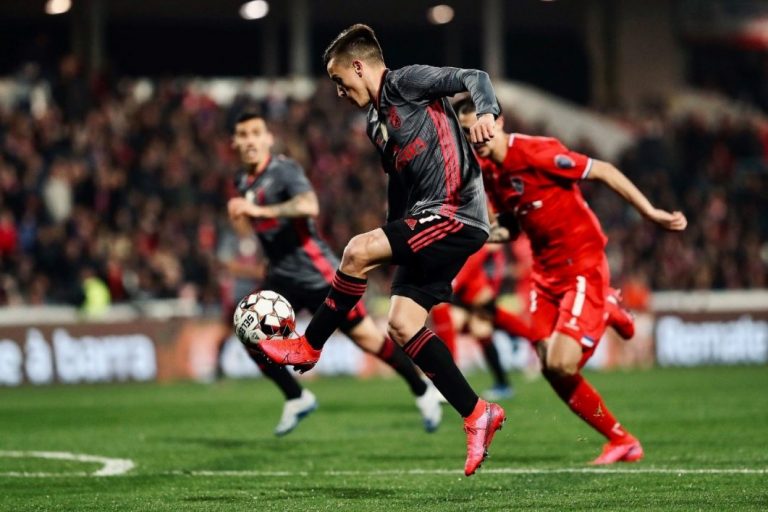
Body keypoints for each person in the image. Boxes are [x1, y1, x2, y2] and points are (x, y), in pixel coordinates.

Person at [258, 24, 506, 476]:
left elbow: (475, 76)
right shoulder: (375, 122)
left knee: (354, 250)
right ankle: (477, 414)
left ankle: (308, 347)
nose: (338, 90)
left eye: (339, 79)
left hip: (454, 211)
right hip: (425, 219)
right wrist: (390, 239)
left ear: (359, 65)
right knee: (402, 325)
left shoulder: (405, 82)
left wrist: (486, 111)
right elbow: (400, 185)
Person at [453, 97, 686, 465]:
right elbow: (511, 228)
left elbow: (605, 171)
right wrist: (473, 234)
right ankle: (621, 440)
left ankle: (607, 305)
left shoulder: (535, 152)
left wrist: (650, 213)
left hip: (582, 264)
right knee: (549, 365)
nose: (475, 137)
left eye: (479, 127)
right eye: (466, 133)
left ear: (497, 120)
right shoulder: (489, 172)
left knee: (563, 364)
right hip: (545, 274)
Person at [227, 111, 444, 435]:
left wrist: (258, 210)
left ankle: (421, 388)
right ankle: (296, 396)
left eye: (255, 133)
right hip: (280, 277)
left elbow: (308, 205)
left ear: (268, 138)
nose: (249, 141)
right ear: (234, 143)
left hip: (318, 274)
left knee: (369, 340)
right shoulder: (242, 182)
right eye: (242, 135)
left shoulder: (283, 170)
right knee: (248, 330)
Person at [431, 242, 532, 401]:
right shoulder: (477, 250)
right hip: (463, 296)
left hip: (470, 296)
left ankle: (500, 383)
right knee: (464, 324)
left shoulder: (486, 253)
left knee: (480, 328)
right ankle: (447, 379)